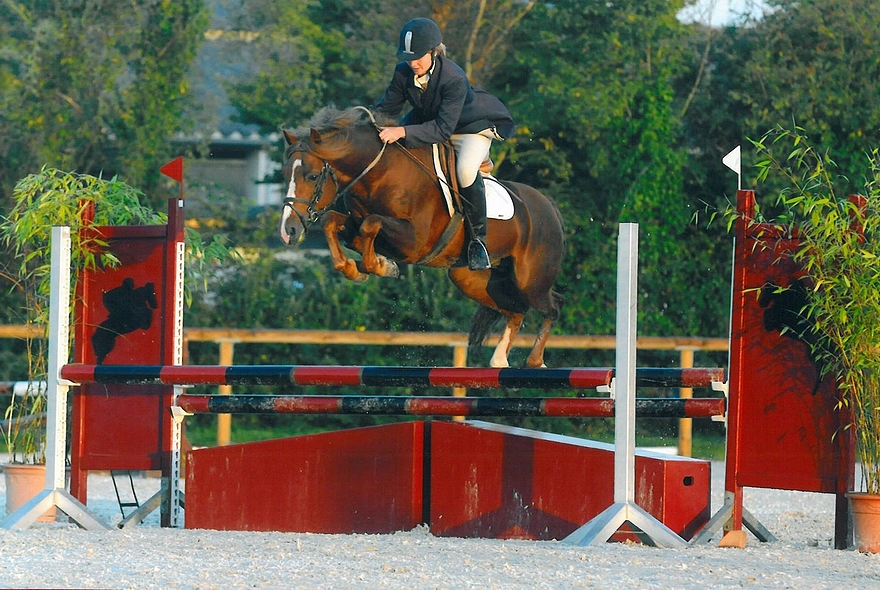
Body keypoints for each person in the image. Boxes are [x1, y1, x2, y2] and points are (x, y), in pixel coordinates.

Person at [374, 17, 515, 271]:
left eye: (418, 57)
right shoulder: (403, 72)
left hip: (469, 128)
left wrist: (402, 131)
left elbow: (442, 129)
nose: (412, 63)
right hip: (431, 122)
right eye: (408, 57)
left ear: (434, 52)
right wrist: (369, 126)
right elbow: (387, 109)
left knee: (464, 171)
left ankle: (478, 242)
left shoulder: (453, 77)